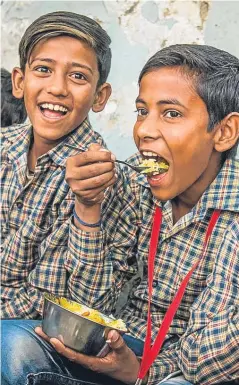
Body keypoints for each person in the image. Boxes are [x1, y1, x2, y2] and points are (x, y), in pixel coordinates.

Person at [2, 44, 239, 385]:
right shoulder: (137, 190)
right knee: (9, 345)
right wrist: (88, 206)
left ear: (224, 132)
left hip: (181, 371)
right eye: (142, 112)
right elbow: (90, 304)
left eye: (171, 114)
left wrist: (141, 372)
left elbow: (204, 360)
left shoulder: (232, 221)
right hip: (118, 349)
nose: (144, 131)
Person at [1, 10, 128, 319]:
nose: (57, 88)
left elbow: (59, 302)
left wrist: (88, 204)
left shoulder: (97, 177)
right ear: (20, 81)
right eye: (43, 69)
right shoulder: (4, 144)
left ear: (100, 96)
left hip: (26, 331)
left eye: (78, 76)